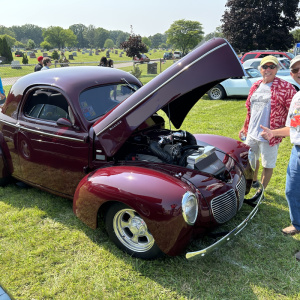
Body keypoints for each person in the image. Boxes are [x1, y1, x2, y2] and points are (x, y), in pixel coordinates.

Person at [239, 55, 296, 201]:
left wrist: (281, 131)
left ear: (277, 69)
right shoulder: (256, 85)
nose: (268, 69)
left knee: (267, 163)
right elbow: (249, 109)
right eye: (265, 67)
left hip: (269, 134)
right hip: (251, 132)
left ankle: (260, 193)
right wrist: (244, 127)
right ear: (260, 69)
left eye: (272, 66)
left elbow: (295, 110)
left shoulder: (286, 87)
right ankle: (255, 180)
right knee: (250, 159)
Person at [260, 55, 300, 261]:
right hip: (297, 150)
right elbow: (294, 126)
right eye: (295, 70)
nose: (299, 72)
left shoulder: (289, 92)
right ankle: (297, 224)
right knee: (291, 189)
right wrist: (273, 133)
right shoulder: (297, 97)